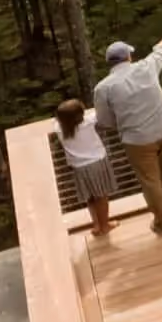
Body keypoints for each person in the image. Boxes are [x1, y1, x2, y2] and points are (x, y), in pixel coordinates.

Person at [94, 24, 162, 234]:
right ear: (128, 57)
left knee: (150, 180)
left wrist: (124, 125)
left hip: (138, 139)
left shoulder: (103, 89)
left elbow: (104, 120)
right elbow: (161, 49)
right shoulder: (146, 67)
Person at [55, 99, 116, 237]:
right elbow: (100, 114)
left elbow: (60, 122)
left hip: (78, 168)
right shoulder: (89, 122)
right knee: (101, 196)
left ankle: (96, 225)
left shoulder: (59, 129)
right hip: (96, 163)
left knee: (90, 198)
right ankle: (105, 225)